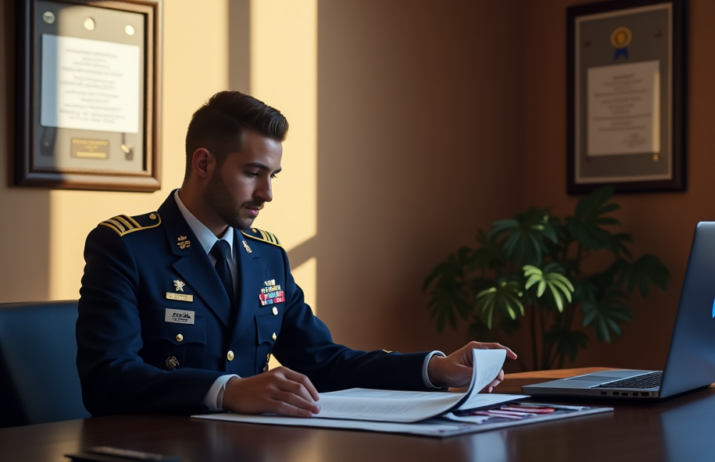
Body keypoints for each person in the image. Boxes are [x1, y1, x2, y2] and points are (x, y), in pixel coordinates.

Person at [76, 91, 515, 416]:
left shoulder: (266, 256)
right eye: (252, 173)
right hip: (156, 461)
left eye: (273, 175)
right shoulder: (126, 247)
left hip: (251, 460)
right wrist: (226, 390)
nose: (267, 193)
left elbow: (324, 361)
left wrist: (435, 368)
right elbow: (107, 379)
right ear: (203, 163)